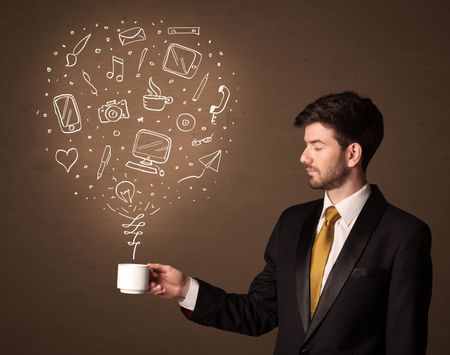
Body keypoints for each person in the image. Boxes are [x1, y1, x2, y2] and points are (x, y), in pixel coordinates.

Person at [148, 91, 432, 355]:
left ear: (353, 154)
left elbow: (405, 343)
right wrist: (185, 288)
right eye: (306, 145)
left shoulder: (404, 234)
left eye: (317, 147)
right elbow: (258, 313)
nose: (303, 157)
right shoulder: (292, 223)